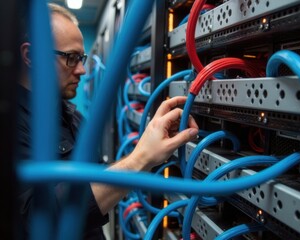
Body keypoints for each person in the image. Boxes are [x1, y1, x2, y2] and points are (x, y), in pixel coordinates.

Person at [17, 3, 199, 239]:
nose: (82, 70)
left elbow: (91, 183)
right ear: (31, 56)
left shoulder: (71, 116)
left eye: (81, 58)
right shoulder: (11, 127)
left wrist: (144, 149)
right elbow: (34, 220)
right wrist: (140, 159)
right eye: (71, 58)